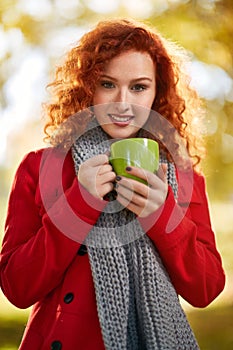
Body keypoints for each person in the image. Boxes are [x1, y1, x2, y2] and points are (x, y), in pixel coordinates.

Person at [0, 18, 225, 350]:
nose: (123, 103)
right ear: (87, 87)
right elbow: (17, 288)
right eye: (108, 84)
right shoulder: (41, 168)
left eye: (138, 87)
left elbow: (205, 290)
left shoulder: (182, 177)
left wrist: (161, 216)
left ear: (156, 92)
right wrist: (79, 202)